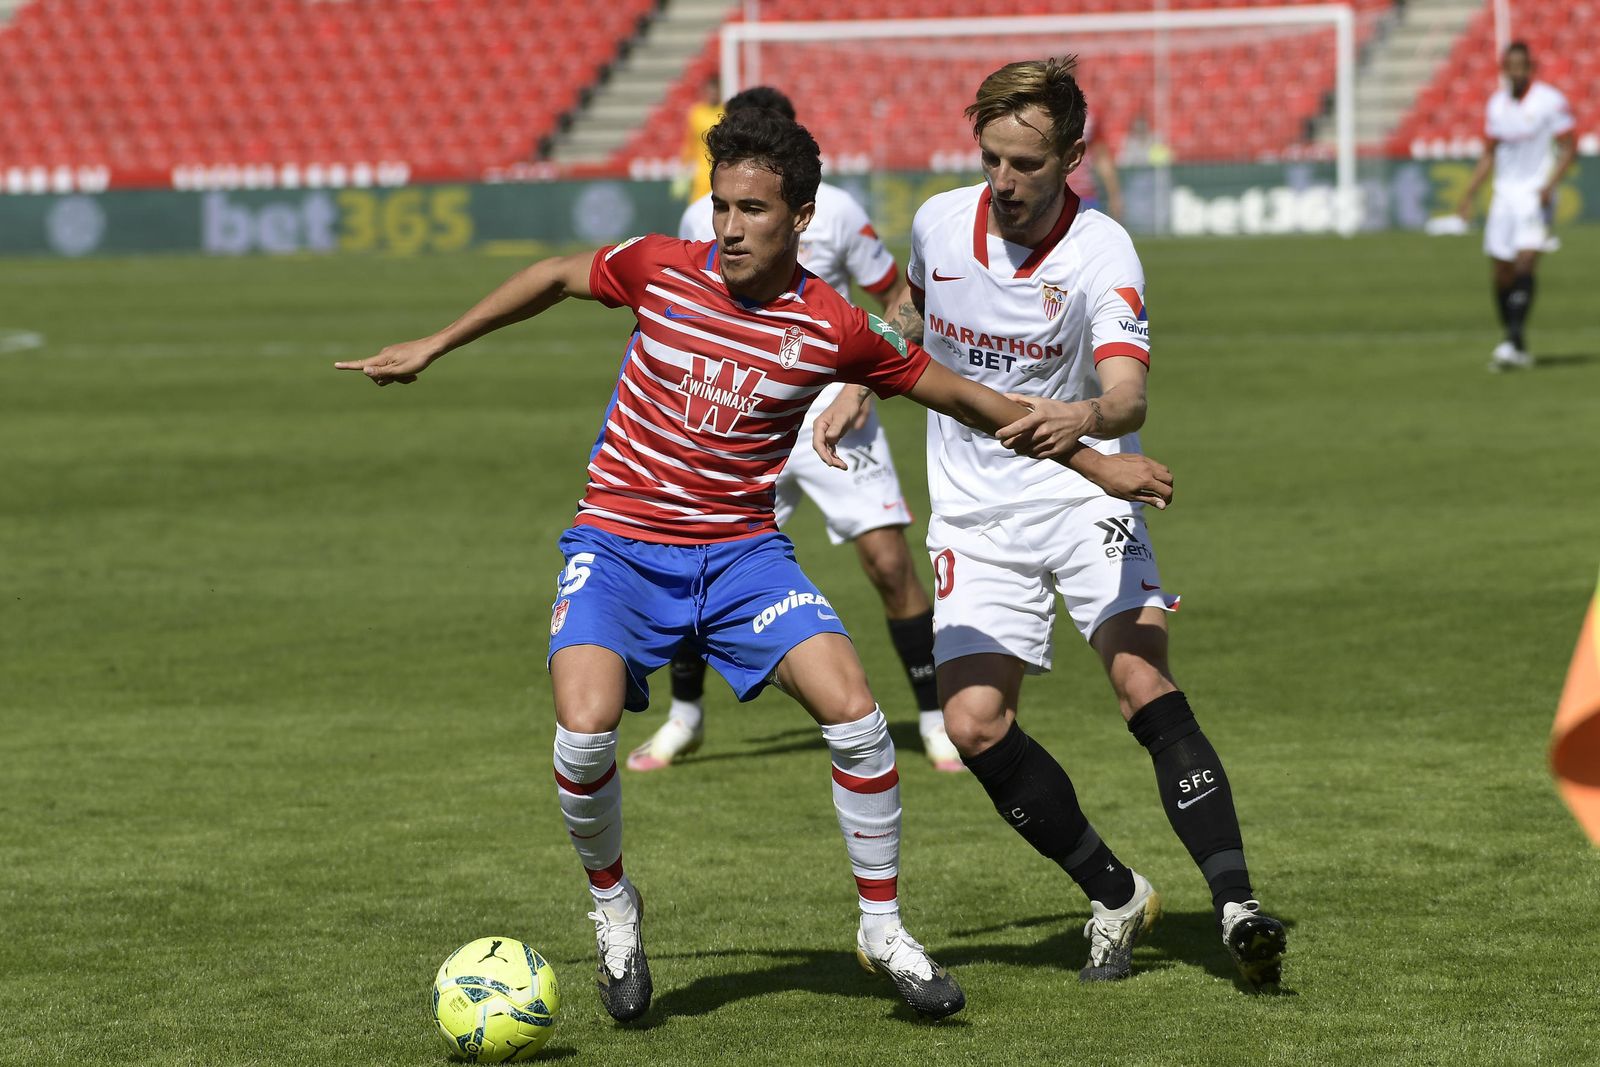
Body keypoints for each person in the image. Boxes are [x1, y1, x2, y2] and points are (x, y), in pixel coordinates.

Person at [336, 106, 1173, 1022]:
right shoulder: (660, 267)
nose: (729, 228)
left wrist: (1094, 460)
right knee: (583, 734)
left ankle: (883, 927)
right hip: (617, 542)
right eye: (722, 205)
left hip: (740, 555)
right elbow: (552, 275)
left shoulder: (834, 325)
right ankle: (614, 904)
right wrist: (433, 345)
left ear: (801, 216)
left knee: (855, 712)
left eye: (753, 210)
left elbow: (970, 399)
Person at [816, 57, 1285, 989]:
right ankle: (1116, 894)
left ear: (1072, 155)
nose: (1003, 180)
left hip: (1083, 488)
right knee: (974, 723)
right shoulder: (941, 221)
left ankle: (1237, 906)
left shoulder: (1102, 250)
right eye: (990, 156)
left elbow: (1125, 390)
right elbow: (912, 308)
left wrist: (1086, 418)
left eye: (1026, 163)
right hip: (974, 511)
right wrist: (863, 375)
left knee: (1140, 677)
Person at [630, 85, 960, 775]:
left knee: (890, 563)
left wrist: (861, 382)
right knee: (692, 556)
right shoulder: (702, 215)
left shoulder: (837, 210)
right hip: (739, 413)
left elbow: (898, 298)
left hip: (833, 408)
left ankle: (935, 718)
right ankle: (684, 715)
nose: (735, 216)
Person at [1457, 41, 1576, 371]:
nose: (1517, 71)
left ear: (1531, 68)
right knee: (1501, 272)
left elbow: (1569, 146)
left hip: (1535, 195)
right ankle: (1516, 342)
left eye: (1522, 65)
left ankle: (1510, 341)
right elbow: (1490, 152)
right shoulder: (1496, 105)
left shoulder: (1549, 102)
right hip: (1504, 197)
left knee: (1526, 262)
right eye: (1511, 66)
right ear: (1503, 69)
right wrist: (1469, 194)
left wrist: (1550, 185)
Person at [678, 75, 724, 205]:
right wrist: (683, 171)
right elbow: (689, 142)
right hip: (701, 172)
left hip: (719, 169)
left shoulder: (725, 111)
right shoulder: (696, 113)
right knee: (698, 207)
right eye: (710, 91)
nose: (713, 94)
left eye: (716, 91)